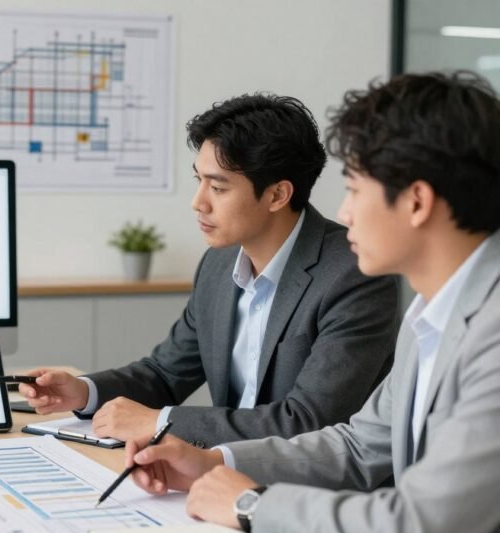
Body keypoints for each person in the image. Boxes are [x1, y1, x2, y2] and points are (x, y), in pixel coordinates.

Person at [124, 71, 500, 533]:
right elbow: (358, 446)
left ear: (416, 201)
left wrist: (252, 505)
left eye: (355, 189)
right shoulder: (430, 314)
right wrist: (214, 462)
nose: (344, 212)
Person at [20, 94, 400, 446]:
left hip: (309, 486)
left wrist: (160, 422)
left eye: (218, 188)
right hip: (220, 471)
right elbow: (166, 374)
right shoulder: (219, 264)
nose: (198, 202)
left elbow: (307, 421)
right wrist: (84, 392)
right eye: (198, 180)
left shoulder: (354, 274)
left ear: (277, 195)